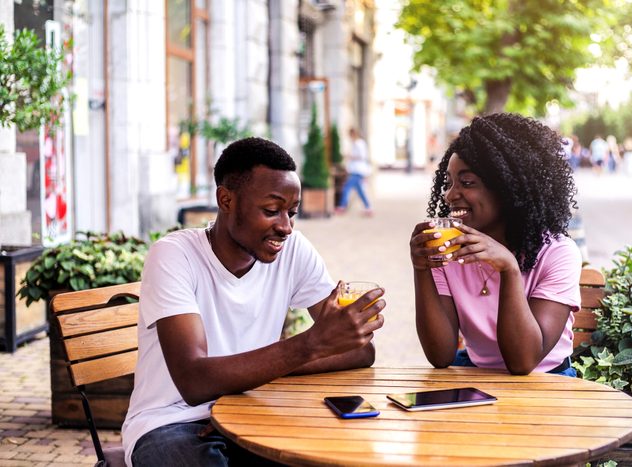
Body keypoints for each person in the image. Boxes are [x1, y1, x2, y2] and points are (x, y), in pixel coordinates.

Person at [122, 137, 385, 466]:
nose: (286, 227)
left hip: (249, 410)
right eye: (272, 211)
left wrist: (316, 346)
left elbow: (358, 350)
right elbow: (193, 381)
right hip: (171, 422)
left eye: (292, 213)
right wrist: (311, 345)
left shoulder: (293, 250)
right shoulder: (174, 255)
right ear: (226, 200)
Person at [409, 113, 581, 377]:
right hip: (478, 374)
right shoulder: (448, 249)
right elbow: (440, 356)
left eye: (466, 183)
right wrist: (421, 269)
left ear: (507, 188)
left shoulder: (557, 253)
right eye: (448, 183)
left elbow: (524, 362)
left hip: (547, 381)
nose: (450, 195)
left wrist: (509, 269)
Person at [336, 128, 373, 216]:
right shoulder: (355, 143)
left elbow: (362, 156)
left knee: (346, 187)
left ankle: (342, 206)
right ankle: (368, 207)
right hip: (355, 170)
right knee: (360, 191)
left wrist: (349, 156)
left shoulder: (359, 143)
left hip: (358, 170)